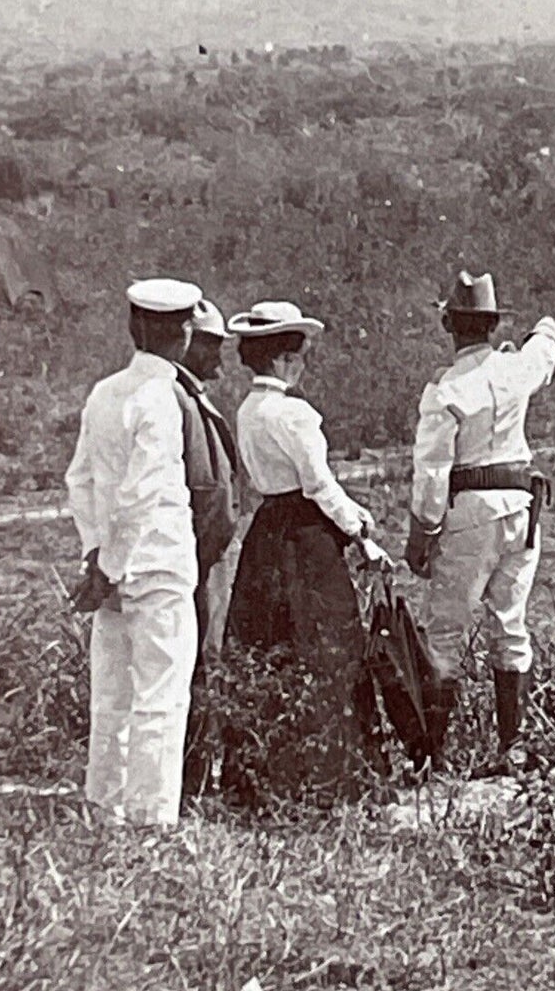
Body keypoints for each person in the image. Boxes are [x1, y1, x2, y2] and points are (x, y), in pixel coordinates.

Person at [221, 299, 384, 804]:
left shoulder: (248, 410)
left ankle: (266, 774)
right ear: (283, 360)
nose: (303, 365)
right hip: (307, 538)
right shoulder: (293, 413)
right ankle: (334, 776)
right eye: (300, 356)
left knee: (269, 640)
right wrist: (361, 531)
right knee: (326, 645)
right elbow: (319, 484)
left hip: (268, 532)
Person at [404, 271, 555, 775]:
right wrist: (538, 336)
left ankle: (432, 757)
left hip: (470, 511)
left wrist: (421, 536)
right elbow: (549, 342)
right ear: (494, 325)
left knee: (445, 630)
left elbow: (431, 472)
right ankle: (510, 748)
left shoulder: (445, 390)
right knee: (510, 626)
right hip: (521, 508)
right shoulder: (518, 369)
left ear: (448, 323)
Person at [64, 278, 201, 828]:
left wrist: (98, 556)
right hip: (157, 564)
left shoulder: (105, 393)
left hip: (114, 569)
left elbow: (81, 480)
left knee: (113, 694)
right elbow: (141, 492)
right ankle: (151, 818)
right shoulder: (161, 399)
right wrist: (111, 565)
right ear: (184, 334)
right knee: (161, 698)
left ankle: (105, 805)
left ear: (132, 327)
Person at [174, 297, 239, 800]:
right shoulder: (177, 398)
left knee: (207, 661)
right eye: (211, 344)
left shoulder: (193, 396)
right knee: (196, 664)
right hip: (195, 560)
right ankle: (190, 781)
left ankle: (197, 775)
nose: (221, 355)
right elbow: (203, 491)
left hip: (207, 558)